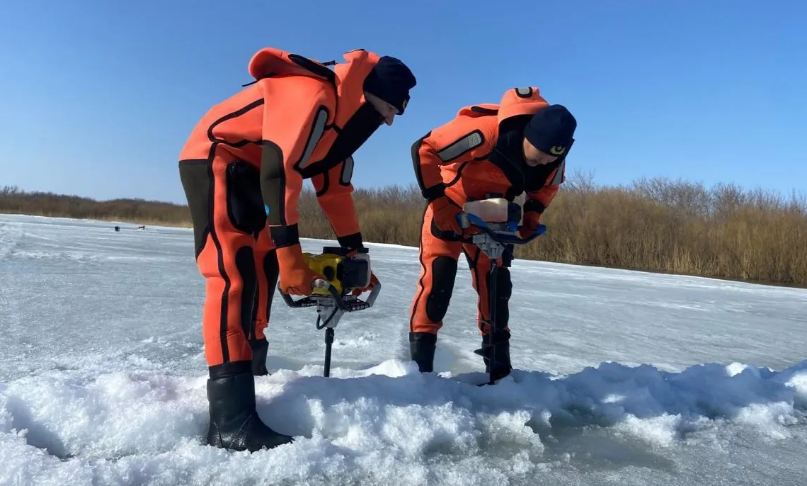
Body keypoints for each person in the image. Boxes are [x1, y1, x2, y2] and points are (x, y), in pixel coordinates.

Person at [178, 47, 416, 452]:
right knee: (232, 271)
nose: (390, 120)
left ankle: (252, 372)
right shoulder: (312, 93)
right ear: (364, 93)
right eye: (387, 108)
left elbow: (336, 191)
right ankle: (229, 423)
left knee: (262, 271)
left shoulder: (341, 128)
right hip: (217, 156)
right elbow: (279, 169)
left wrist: (357, 255)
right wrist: (289, 251)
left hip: (259, 173)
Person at [408, 87, 576, 381]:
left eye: (549, 161)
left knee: (496, 290)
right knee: (438, 284)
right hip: (449, 205)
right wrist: (439, 203)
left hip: (494, 216)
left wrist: (533, 213)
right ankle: (419, 374)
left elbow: (547, 187)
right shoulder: (485, 131)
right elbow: (424, 149)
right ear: (527, 136)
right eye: (536, 159)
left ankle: (499, 373)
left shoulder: (553, 157)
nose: (541, 165)